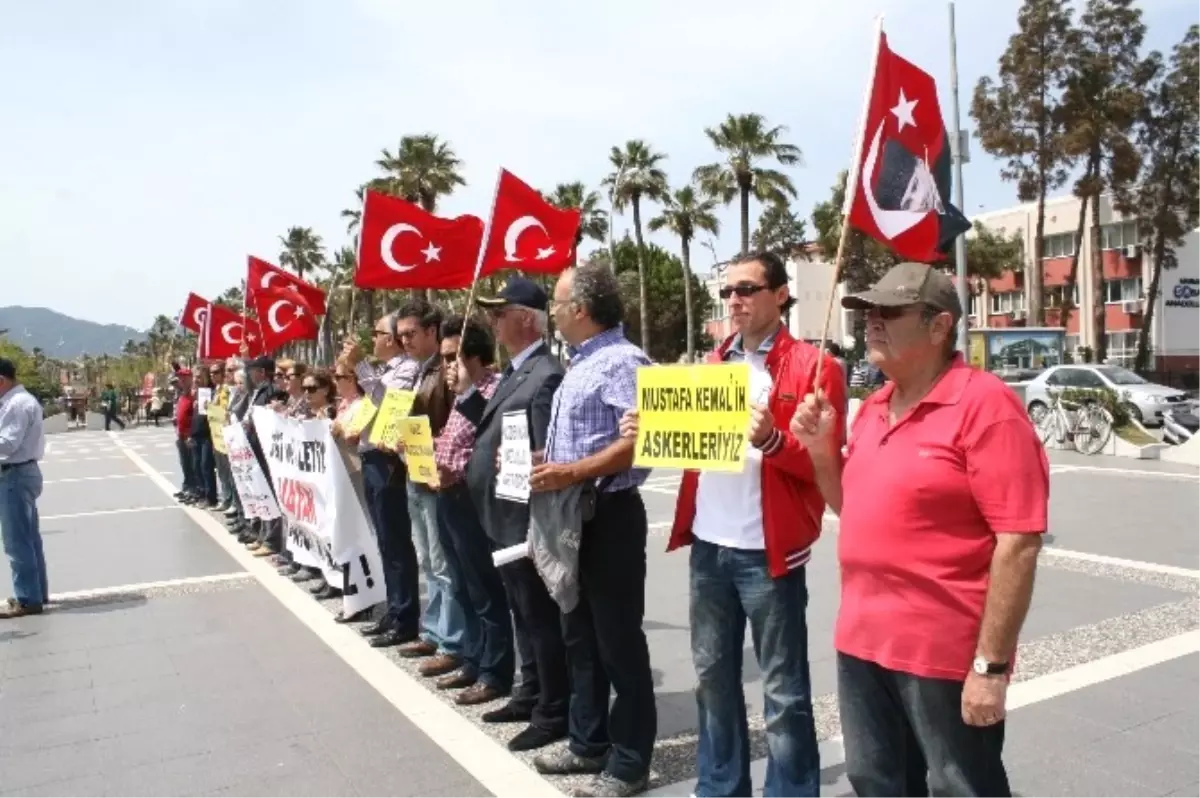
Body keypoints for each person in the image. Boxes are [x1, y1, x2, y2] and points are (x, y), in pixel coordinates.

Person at [790, 262, 1049, 798]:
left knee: (961, 786)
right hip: (862, 645)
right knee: (875, 782)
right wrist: (821, 453)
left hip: (943, 655)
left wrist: (990, 667)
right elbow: (853, 509)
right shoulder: (873, 408)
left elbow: (1019, 543)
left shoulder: (986, 406)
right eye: (869, 313)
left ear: (939, 326)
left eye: (890, 312)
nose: (872, 324)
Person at [621, 251, 844, 797]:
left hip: (768, 554)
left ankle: (791, 791)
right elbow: (692, 446)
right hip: (710, 551)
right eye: (728, 292)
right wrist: (649, 424)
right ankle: (720, 787)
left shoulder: (816, 368)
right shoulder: (713, 365)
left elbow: (824, 466)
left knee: (785, 692)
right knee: (713, 684)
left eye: (747, 288)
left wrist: (772, 440)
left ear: (780, 294)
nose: (735, 300)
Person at [529, 263, 656, 798]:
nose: (553, 313)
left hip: (609, 516)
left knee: (617, 641)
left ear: (580, 309)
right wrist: (547, 462)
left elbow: (639, 442)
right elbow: (587, 442)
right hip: (574, 514)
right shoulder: (581, 362)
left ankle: (629, 761)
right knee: (579, 633)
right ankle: (588, 740)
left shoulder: (623, 362)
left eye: (558, 304)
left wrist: (570, 472)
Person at [462, 276, 567, 752]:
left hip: (523, 517)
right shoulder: (515, 372)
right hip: (500, 515)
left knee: (539, 617)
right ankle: (529, 692)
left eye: (499, 313)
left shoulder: (545, 374)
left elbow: (544, 450)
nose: (492, 321)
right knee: (522, 614)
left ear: (526, 318)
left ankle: (552, 710)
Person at [431, 315, 512, 705]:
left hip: (473, 502)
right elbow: (457, 445)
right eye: (444, 361)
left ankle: (495, 670)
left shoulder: (489, 393)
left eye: (453, 358)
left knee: (485, 589)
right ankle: (474, 656)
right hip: (447, 499)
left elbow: (487, 454)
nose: (447, 368)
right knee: (462, 583)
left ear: (475, 356)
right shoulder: (462, 395)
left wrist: (453, 468)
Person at [344, 315, 422, 649]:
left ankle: (406, 615)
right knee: (385, 542)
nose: (372, 341)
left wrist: (360, 364)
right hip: (372, 456)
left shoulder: (405, 369)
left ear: (388, 339)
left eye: (376, 334)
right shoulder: (387, 370)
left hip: (388, 460)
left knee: (396, 541)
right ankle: (394, 608)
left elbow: (390, 401)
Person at [0, 358, 48, 619]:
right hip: (23, 472)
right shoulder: (20, 401)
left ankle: (28, 598)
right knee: (29, 538)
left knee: (17, 542)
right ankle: (37, 593)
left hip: (15, 475)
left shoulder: (16, 404)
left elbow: (7, 444)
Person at [189, 365, 219, 509]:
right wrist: (190, 434)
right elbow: (193, 417)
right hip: (196, 434)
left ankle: (210, 496)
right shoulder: (196, 393)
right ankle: (201, 494)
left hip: (207, 435)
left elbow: (215, 414)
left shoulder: (212, 393)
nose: (197, 380)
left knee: (206, 466)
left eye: (200, 377)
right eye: (195, 377)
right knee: (196, 467)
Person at [172, 369, 198, 503]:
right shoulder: (181, 395)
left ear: (190, 378)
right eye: (180, 378)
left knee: (193, 464)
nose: (181, 381)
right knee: (185, 464)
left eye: (184, 378)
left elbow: (195, 416)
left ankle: (194, 490)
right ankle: (187, 487)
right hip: (180, 435)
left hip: (190, 436)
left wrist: (190, 434)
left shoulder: (194, 395)